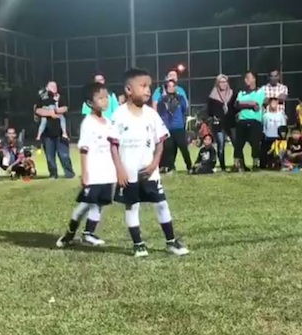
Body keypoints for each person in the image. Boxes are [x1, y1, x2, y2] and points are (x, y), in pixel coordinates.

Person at [111, 68, 189, 258]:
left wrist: (155, 163)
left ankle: (171, 241)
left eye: (149, 86)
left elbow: (160, 142)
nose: (147, 90)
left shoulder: (151, 115)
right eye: (143, 86)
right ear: (129, 90)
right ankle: (138, 244)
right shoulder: (118, 115)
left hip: (150, 171)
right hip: (128, 172)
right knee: (132, 206)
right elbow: (113, 146)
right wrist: (119, 170)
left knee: (161, 204)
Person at [57, 82, 117, 248]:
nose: (105, 101)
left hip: (108, 173)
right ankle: (69, 235)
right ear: (90, 102)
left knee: (98, 205)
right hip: (94, 173)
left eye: (106, 97)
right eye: (100, 98)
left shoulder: (109, 122)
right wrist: (85, 173)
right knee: (84, 205)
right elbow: (84, 149)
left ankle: (88, 234)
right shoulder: (88, 123)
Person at [34, 81, 75, 179]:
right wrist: (50, 114)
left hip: (61, 133)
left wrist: (55, 111)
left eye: (55, 85)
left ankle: (69, 174)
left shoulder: (62, 97)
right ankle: (53, 174)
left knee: (64, 155)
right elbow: (38, 110)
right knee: (49, 157)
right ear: (47, 88)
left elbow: (65, 108)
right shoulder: (42, 99)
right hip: (47, 133)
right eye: (51, 86)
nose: (54, 87)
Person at [156, 79, 192, 173]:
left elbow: (185, 110)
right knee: (169, 149)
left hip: (179, 127)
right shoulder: (162, 99)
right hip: (168, 128)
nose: (171, 88)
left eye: (173, 86)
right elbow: (160, 112)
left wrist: (182, 121)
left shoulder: (180, 98)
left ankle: (189, 166)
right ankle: (171, 167)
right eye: (169, 86)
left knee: (183, 147)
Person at [233, 71, 265, 172]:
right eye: (245, 78)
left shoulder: (260, 92)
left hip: (255, 121)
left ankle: (256, 164)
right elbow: (236, 105)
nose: (246, 80)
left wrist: (244, 104)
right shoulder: (241, 93)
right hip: (242, 121)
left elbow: (256, 105)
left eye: (248, 78)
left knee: (255, 143)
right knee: (238, 144)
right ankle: (238, 165)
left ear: (254, 79)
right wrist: (249, 104)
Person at [206, 74, 236, 171]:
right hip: (219, 124)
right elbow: (209, 111)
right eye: (221, 82)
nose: (223, 84)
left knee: (236, 143)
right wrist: (213, 116)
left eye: (225, 82)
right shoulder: (212, 96)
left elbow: (236, 108)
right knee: (221, 145)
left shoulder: (232, 94)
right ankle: (223, 166)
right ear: (217, 83)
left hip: (231, 123)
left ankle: (238, 164)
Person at [261, 97, 286, 170]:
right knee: (268, 153)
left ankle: (278, 164)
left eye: (275, 103)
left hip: (278, 138)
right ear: (269, 104)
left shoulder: (281, 115)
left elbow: (283, 127)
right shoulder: (266, 115)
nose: (274, 105)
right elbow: (264, 127)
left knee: (278, 154)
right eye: (272, 103)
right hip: (268, 137)